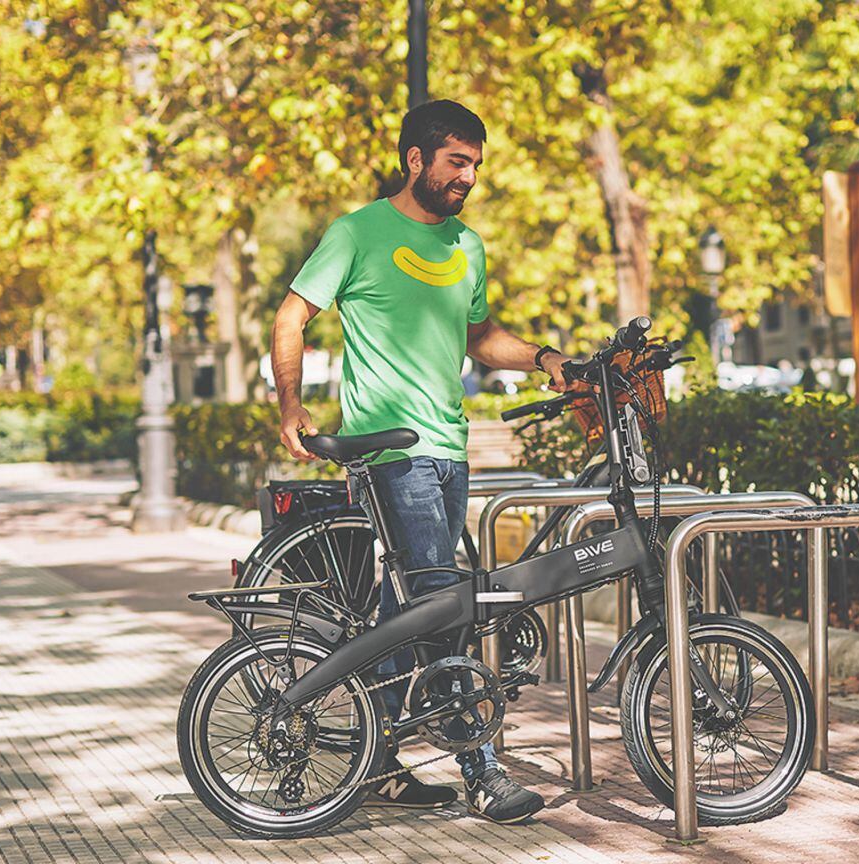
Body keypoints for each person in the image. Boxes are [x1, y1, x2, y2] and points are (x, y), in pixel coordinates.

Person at [271, 99, 573, 825]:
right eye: (456, 162)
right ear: (417, 160)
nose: (468, 176)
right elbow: (291, 315)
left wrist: (543, 359)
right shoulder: (358, 233)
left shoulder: (468, 245)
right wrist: (290, 407)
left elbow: (479, 336)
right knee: (445, 611)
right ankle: (482, 769)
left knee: (404, 612)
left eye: (475, 163)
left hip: (448, 448)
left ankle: (375, 759)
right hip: (391, 452)